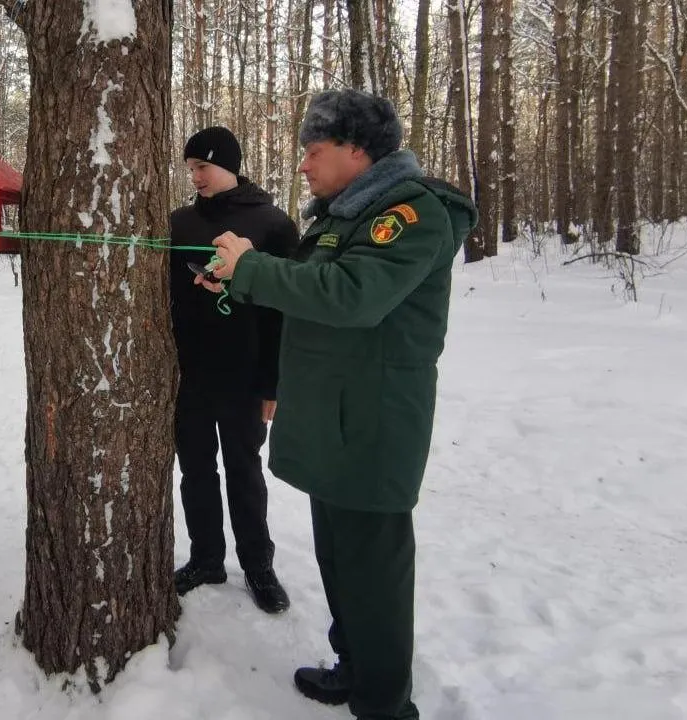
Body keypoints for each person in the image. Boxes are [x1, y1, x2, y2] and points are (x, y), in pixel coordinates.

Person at [199, 90, 477, 719]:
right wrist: (237, 277)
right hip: (335, 421)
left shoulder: (409, 213)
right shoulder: (341, 216)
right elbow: (307, 288)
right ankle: (356, 669)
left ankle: (385, 705)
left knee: (373, 573)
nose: (303, 164)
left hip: (373, 425)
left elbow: (352, 295)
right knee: (339, 560)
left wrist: (252, 269)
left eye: (314, 151)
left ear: (358, 151)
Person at [169, 126, 299, 614]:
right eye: (190, 168)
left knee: (244, 469)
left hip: (244, 374)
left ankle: (258, 566)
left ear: (229, 164)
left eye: (202, 166)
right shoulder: (177, 224)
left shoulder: (272, 225)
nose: (195, 176)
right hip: (189, 374)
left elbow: (285, 311)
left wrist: (272, 383)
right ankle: (206, 557)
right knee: (196, 468)